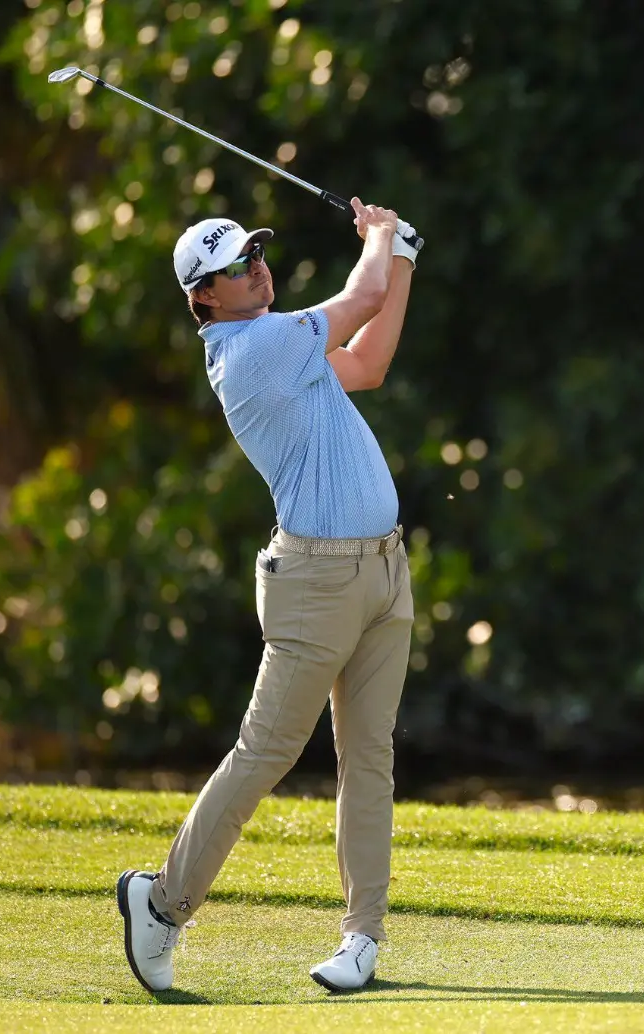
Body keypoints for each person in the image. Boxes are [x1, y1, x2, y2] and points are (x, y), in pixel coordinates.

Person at [116, 198, 422, 995]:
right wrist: (383, 241)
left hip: (385, 573)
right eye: (237, 268)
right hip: (316, 584)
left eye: (255, 255)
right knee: (266, 754)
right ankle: (162, 902)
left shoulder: (289, 346)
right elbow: (359, 301)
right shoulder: (252, 348)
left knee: (369, 757)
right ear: (204, 299)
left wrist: (406, 263)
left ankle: (362, 939)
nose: (258, 269)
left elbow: (370, 361)